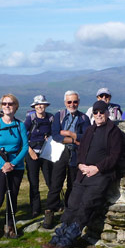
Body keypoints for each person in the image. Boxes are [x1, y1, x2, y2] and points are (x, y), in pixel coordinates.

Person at [42, 100, 123, 248]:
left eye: (101, 112)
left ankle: (68, 239)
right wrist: (80, 165)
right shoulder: (90, 130)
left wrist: (97, 168)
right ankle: (58, 236)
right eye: (96, 112)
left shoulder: (113, 132)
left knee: (86, 205)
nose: (99, 115)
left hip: (100, 176)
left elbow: (115, 156)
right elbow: (81, 150)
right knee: (72, 204)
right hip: (83, 174)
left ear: (107, 113)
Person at [0, 94, 28, 240]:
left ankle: (10, 227)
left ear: (16, 106)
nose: (7, 106)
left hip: (17, 166)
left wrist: (13, 164)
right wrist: (4, 164)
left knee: (12, 197)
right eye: (4, 103)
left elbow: (25, 147)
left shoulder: (20, 125)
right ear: (1, 107)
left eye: (10, 103)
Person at [43, 90, 90, 229]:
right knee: (55, 184)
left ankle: (68, 213)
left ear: (78, 102)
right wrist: (74, 139)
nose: (72, 104)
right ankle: (49, 213)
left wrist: (69, 133)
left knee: (73, 184)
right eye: (69, 102)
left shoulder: (84, 118)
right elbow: (55, 135)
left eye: (75, 101)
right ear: (65, 103)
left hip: (76, 155)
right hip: (61, 154)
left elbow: (85, 137)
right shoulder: (59, 115)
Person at [24, 95, 54, 217]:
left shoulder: (51, 118)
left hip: (46, 153)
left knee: (50, 180)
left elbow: (54, 133)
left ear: (45, 105)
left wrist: (50, 138)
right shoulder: (30, 118)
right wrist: (30, 151)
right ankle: (35, 208)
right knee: (33, 181)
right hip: (32, 153)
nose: (40, 106)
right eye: (37, 105)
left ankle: (52, 205)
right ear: (34, 107)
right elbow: (22, 136)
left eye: (42, 104)